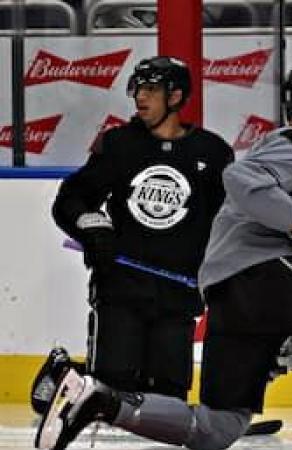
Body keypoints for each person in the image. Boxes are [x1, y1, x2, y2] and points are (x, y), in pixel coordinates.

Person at [35, 66, 292, 450]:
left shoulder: (278, 146)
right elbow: (240, 180)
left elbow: (254, 208)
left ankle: (100, 399)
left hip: (231, 295)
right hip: (262, 279)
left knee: (217, 427)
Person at [30, 56, 233, 422]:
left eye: (151, 90)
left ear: (175, 97)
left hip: (178, 295)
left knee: (167, 398)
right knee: (114, 391)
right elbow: (71, 200)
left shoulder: (212, 153)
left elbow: (230, 220)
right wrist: (93, 226)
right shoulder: (120, 144)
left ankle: (68, 374)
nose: (140, 98)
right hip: (121, 290)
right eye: (138, 89)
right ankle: (66, 375)